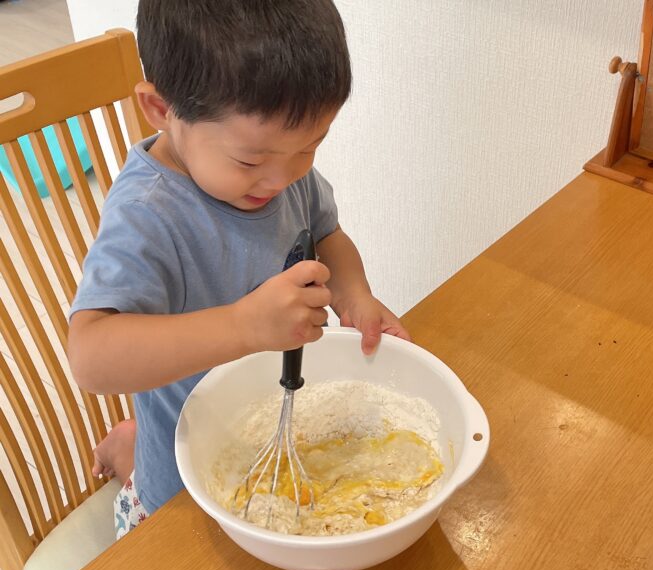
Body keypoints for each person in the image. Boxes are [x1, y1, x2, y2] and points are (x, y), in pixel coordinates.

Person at [67, 0, 410, 538]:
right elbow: (90, 358)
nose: (282, 178)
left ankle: (133, 435)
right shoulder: (148, 214)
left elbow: (327, 234)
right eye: (251, 161)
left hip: (271, 430)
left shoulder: (280, 164)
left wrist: (355, 295)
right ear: (161, 109)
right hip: (183, 488)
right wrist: (244, 327)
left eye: (310, 148)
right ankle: (137, 450)